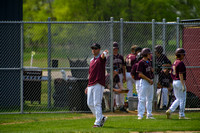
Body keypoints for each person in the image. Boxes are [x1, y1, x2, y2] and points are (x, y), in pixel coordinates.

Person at [85, 43, 108, 127]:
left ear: (98, 49)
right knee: (89, 103)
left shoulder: (101, 59)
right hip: (91, 84)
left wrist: (105, 53)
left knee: (97, 103)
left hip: (98, 83)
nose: (93, 50)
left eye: (95, 48)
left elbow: (103, 56)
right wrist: (87, 86)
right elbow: (90, 74)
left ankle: (98, 123)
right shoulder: (91, 60)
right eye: (92, 48)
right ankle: (101, 117)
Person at [166, 48, 189, 119]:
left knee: (178, 98)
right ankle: (181, 115)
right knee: (182, 99)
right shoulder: (180, 63)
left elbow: (171, 73)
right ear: (180, 55)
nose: (184, 56)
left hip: (174, 81)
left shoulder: (175, 62)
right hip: (179, 81)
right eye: (183, 54)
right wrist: (183, 85)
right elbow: (181, 74)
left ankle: (170, 110)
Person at [137, 48, 155, 119]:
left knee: (150, 99)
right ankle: (140, 115)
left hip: (149, 82)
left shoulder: (149, 62)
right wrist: (149, 80)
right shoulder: (141, 62)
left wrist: (152, 70)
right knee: (142, 99)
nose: (150, 55)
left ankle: (149, 114)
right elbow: (140, 74)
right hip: (144, 82)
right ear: (146, 54)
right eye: (149, 54)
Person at [107, 42, 126, 109]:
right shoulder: (109, 57)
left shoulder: (120, 56)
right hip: (112, 75)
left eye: (116, 48)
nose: (115, 50)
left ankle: (121, 104)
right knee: (113, 90)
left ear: (117, 49)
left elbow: (123, 67)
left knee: (121, 89)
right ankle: (115, 105)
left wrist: (124, 76)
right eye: (113, 48)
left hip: (120, 74)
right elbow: (107, 67)